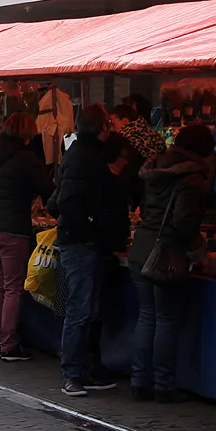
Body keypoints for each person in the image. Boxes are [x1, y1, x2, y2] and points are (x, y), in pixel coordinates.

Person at [128, 124, 214, 404]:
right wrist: (199, 254)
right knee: (164, 319)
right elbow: (184, 223)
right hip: (166, 254)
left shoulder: (155, 167)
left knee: (146, 316)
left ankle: (139, 381)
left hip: (141, 247)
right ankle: (164, 385)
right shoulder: (191, 177)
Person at [55, 104, 126, 397]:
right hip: (81, 242)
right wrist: (91, 226)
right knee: (80, 309)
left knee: (88, 309)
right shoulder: (85, 157)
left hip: (85, 240)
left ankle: (84, 369)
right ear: (101, 128)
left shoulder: (81, 154)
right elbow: (66, 201)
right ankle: (72, 372)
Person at [0, 113, 55, 362]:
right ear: (27, 132)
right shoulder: (27, 158)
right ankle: (8, 344)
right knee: (12, 287)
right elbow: (48, 190)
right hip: (12, 226)